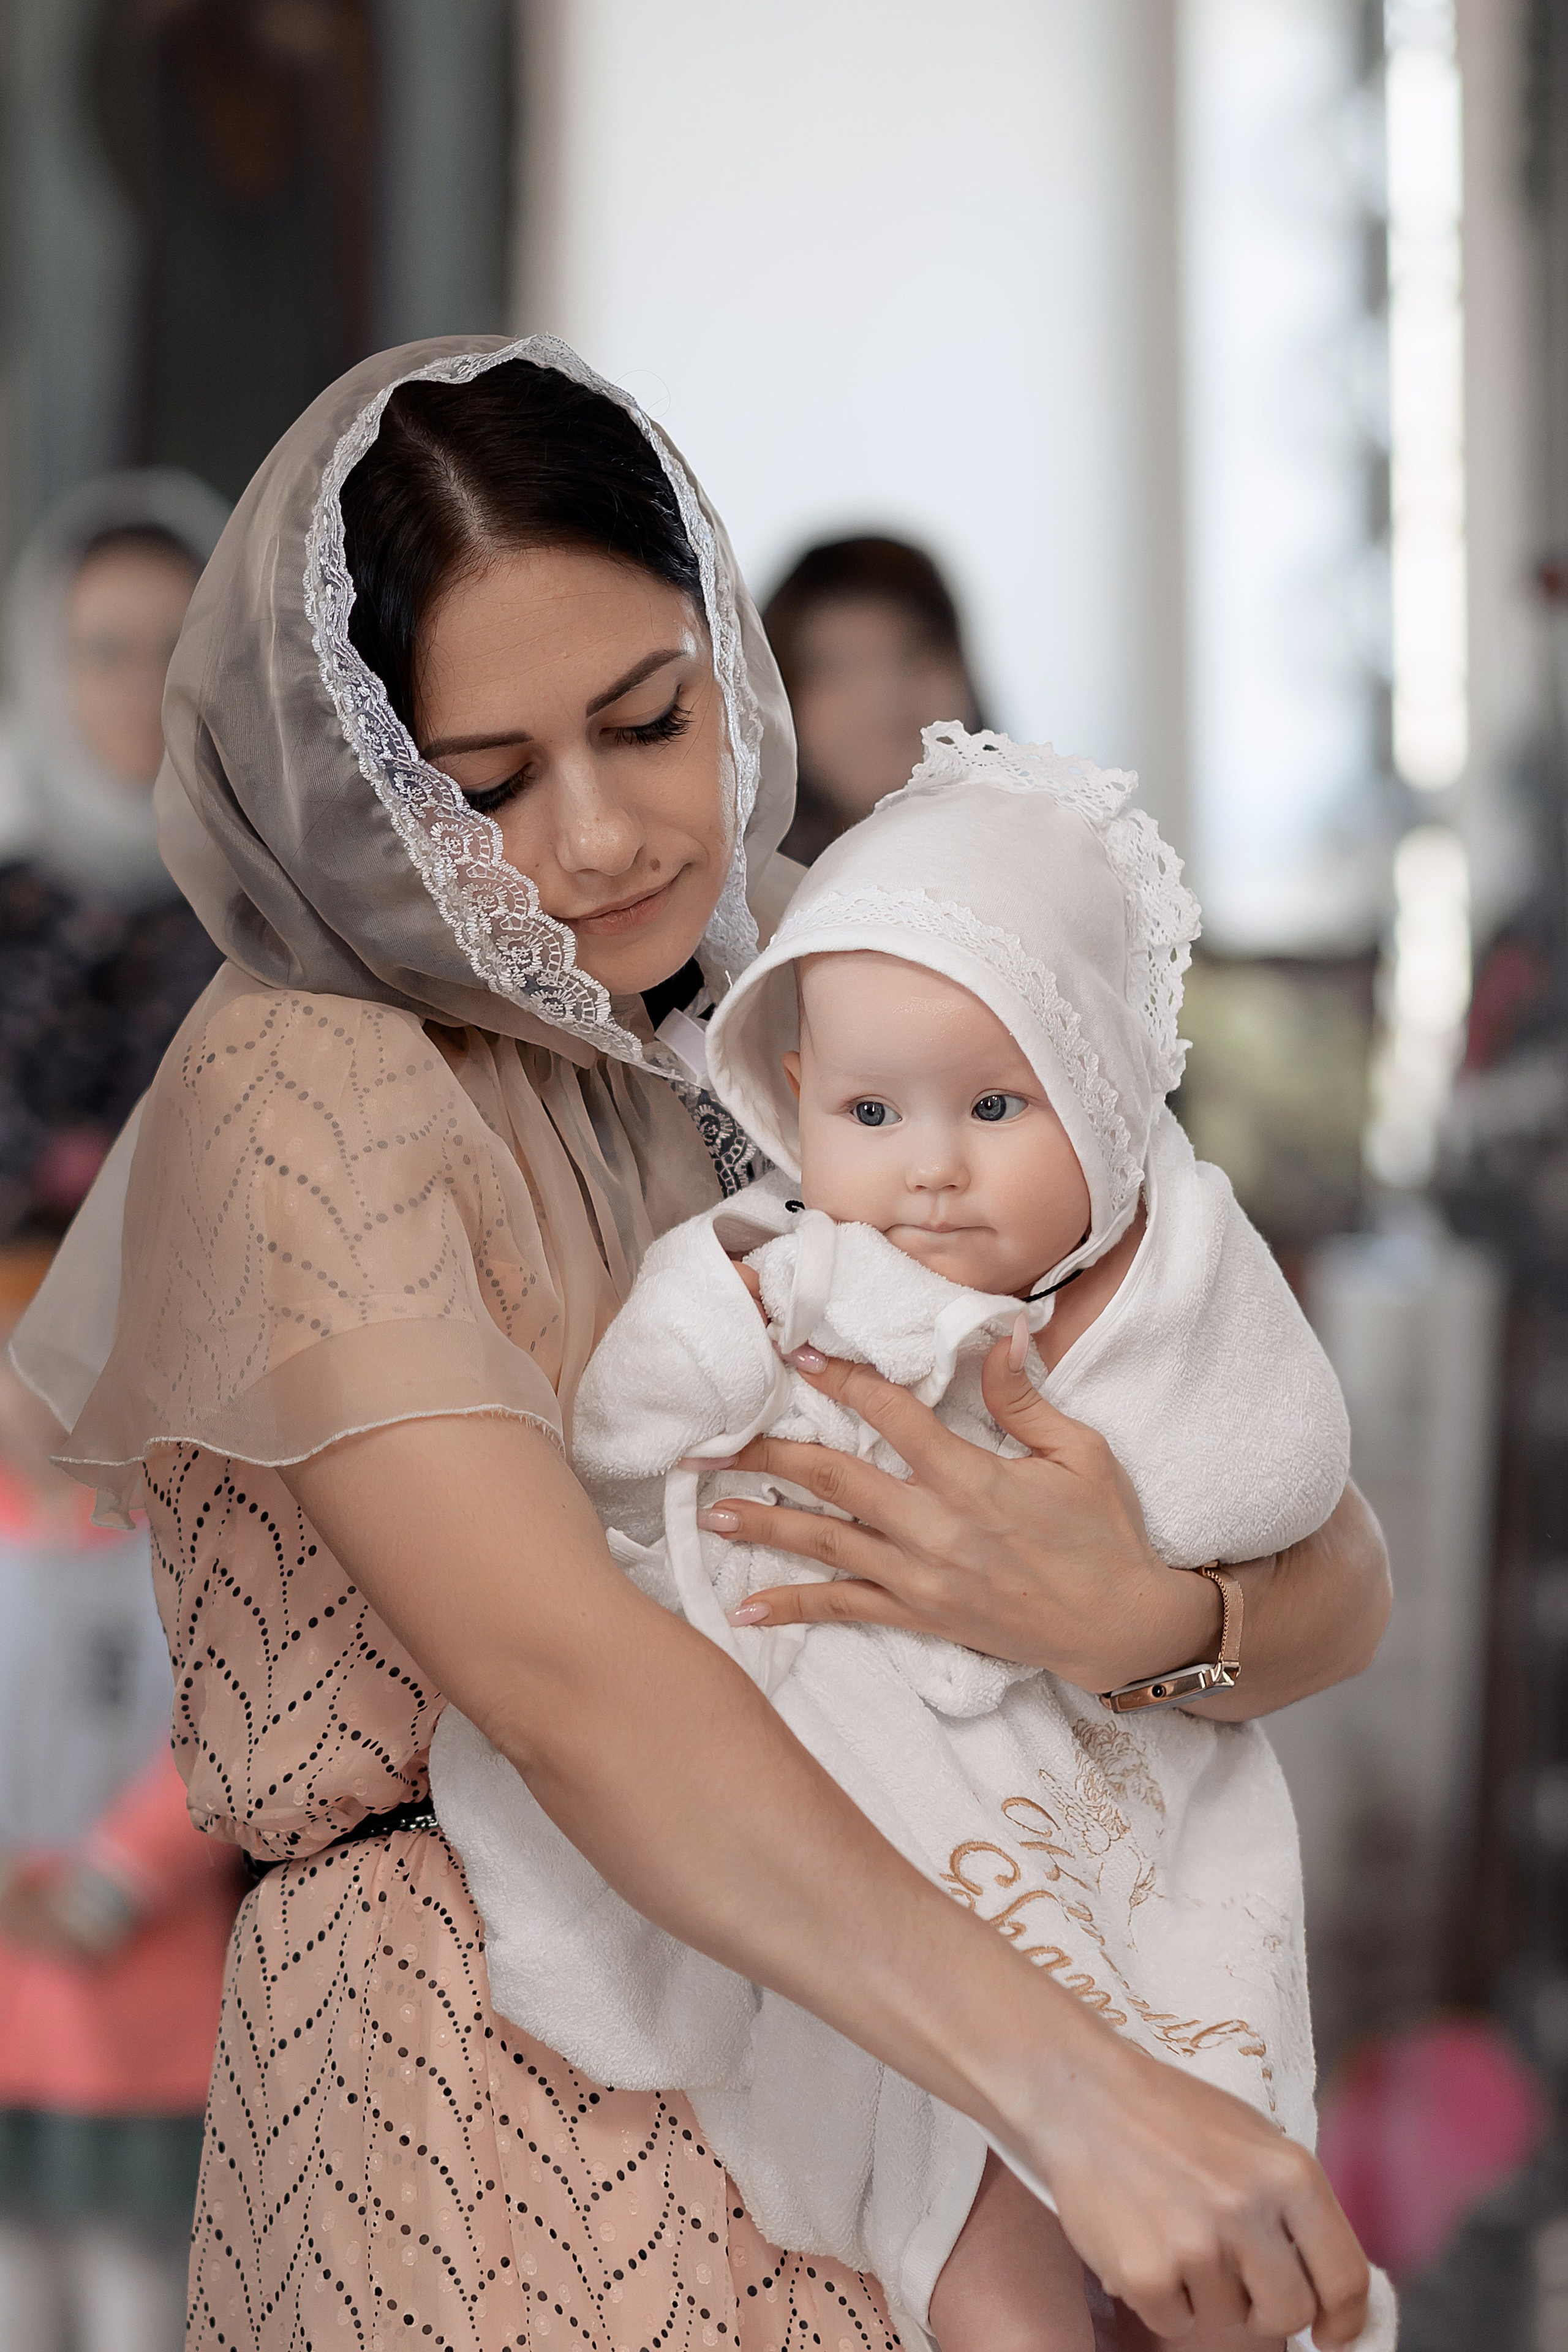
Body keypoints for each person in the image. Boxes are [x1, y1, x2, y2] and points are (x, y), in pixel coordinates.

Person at [12, 336, 1390, 2352]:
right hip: (493, 2101)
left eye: (650, 721)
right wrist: (1081, 2093)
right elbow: (564, 1677)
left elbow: (1311, 1517)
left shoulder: (842, 983)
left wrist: (1145, 1609)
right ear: (360, 771)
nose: (599, 838)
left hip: (904, 2071)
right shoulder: (307, 1082)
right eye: (484, 787)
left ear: (720, 648)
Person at [434, 723, 1392, 2352]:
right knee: (967, 2218)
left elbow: (1285, 1476)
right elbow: (634, 1426)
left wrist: (1143, 1587)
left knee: (1199, 2140)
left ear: (1095, 1099)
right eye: (873, 1111)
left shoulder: (1153, 1278)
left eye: (998, 1108)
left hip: (1104, 1779)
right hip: (858, 1795)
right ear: (798, 1099)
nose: (930, 1169)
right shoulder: (788, 1264)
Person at [0, 1256, 240, 2352]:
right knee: (15, 2264)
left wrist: (112, 1875)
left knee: (132, 2269)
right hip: (12, 1954)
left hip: (142, 1968)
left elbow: (218, 1734)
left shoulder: (183, 1544)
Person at [0, 473, 228, 1238]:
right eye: (104, 652)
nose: (142, 686)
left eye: (174, 647)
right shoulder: (12, 885)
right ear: (46, 665)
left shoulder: (271, 893)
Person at [766, 537, 983, 865]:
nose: (880, 700)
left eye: (913, 658)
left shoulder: (1054, 863)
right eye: (836, 668)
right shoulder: (747, 901)